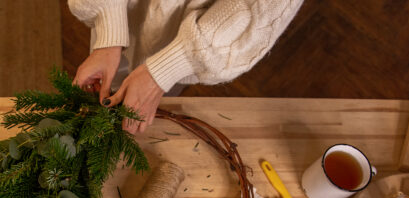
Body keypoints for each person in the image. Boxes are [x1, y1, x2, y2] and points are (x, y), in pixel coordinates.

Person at [69, 0, 304, 134]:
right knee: (105, 84)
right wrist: (109, 30)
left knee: (145, 102)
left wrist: (165, 71)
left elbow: (256, 12)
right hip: (124, 9)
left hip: (188, 41)